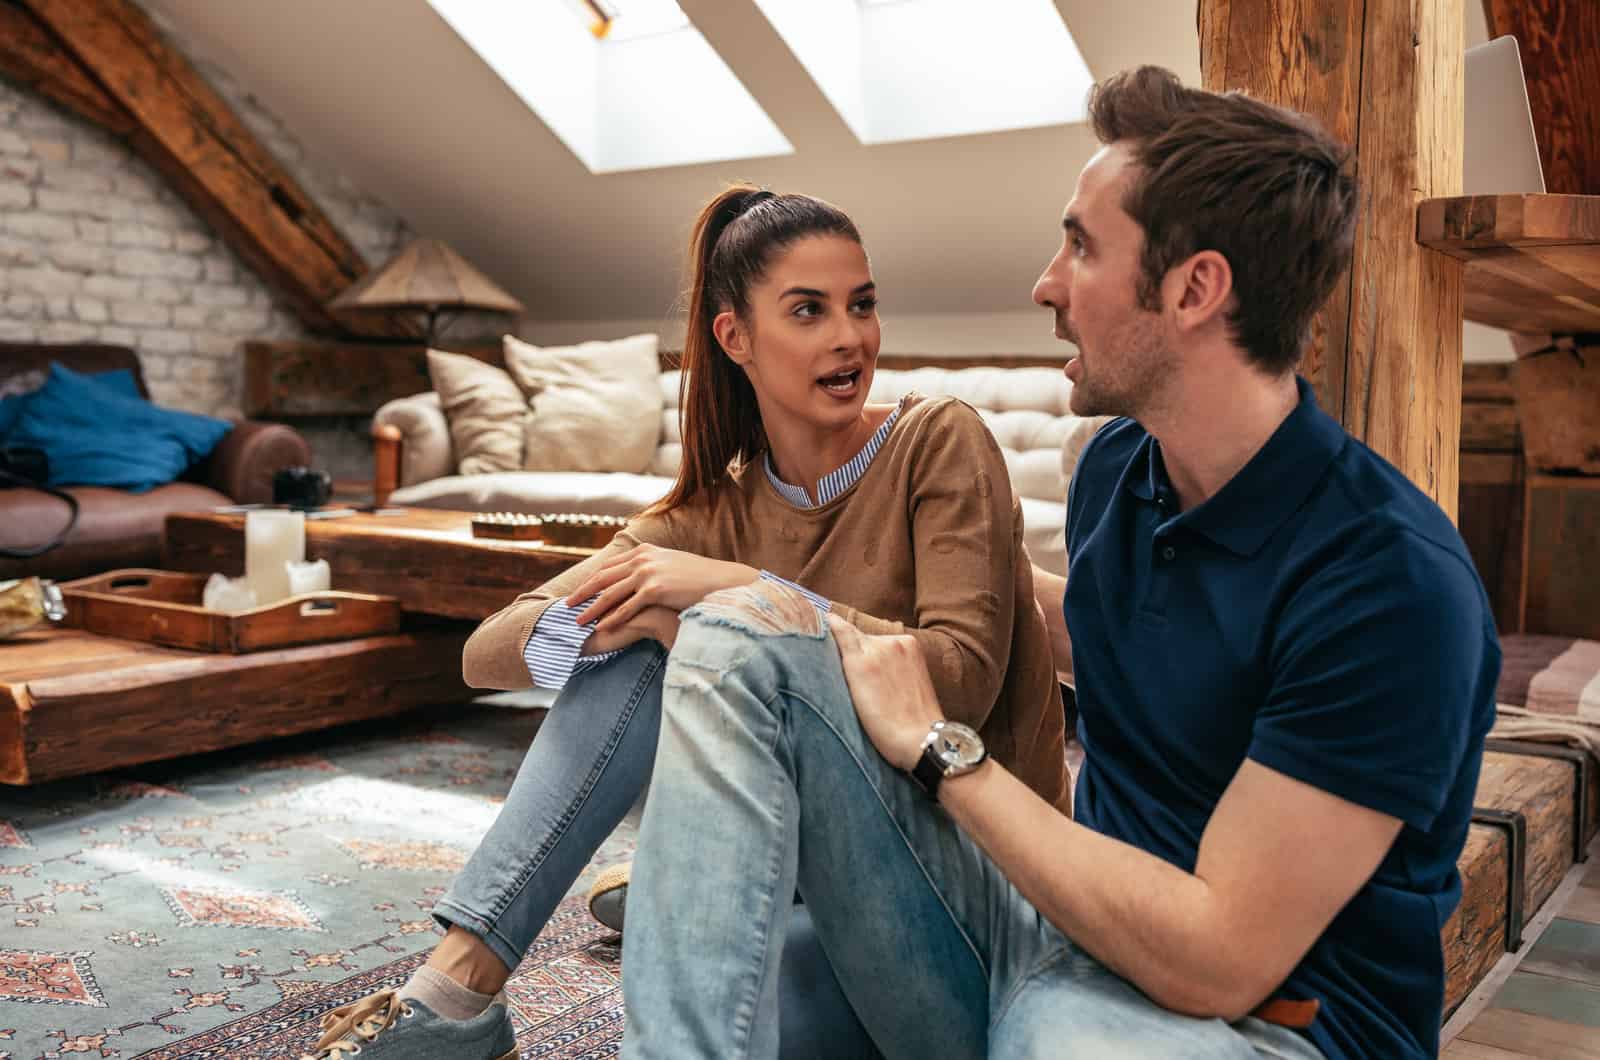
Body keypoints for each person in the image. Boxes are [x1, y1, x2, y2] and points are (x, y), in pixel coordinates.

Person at [618, 66, 1499, 1060]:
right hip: (1052, 927)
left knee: (1059, 1044)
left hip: (1254, 1023)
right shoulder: (1121, 467)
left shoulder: (1389, 583)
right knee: (743, 639)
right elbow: (1110, 632)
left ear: (1194, 288)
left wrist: (943, 750)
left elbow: (1218, 957)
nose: (1044, 282)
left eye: (1080, 246)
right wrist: (832, 586)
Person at [299, 185, 1070, 1060]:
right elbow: (488, 651)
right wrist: (633, 621)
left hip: (974, 901)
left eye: (861, 304)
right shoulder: (708, 513)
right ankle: (457, 992)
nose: (849, 336)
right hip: (832, 903)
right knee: (640, 644)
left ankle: (693, 878)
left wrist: (734, 595)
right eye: (808, 311)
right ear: (734, 336)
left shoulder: (938, 439)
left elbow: (957, 681)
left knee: (703, 642)